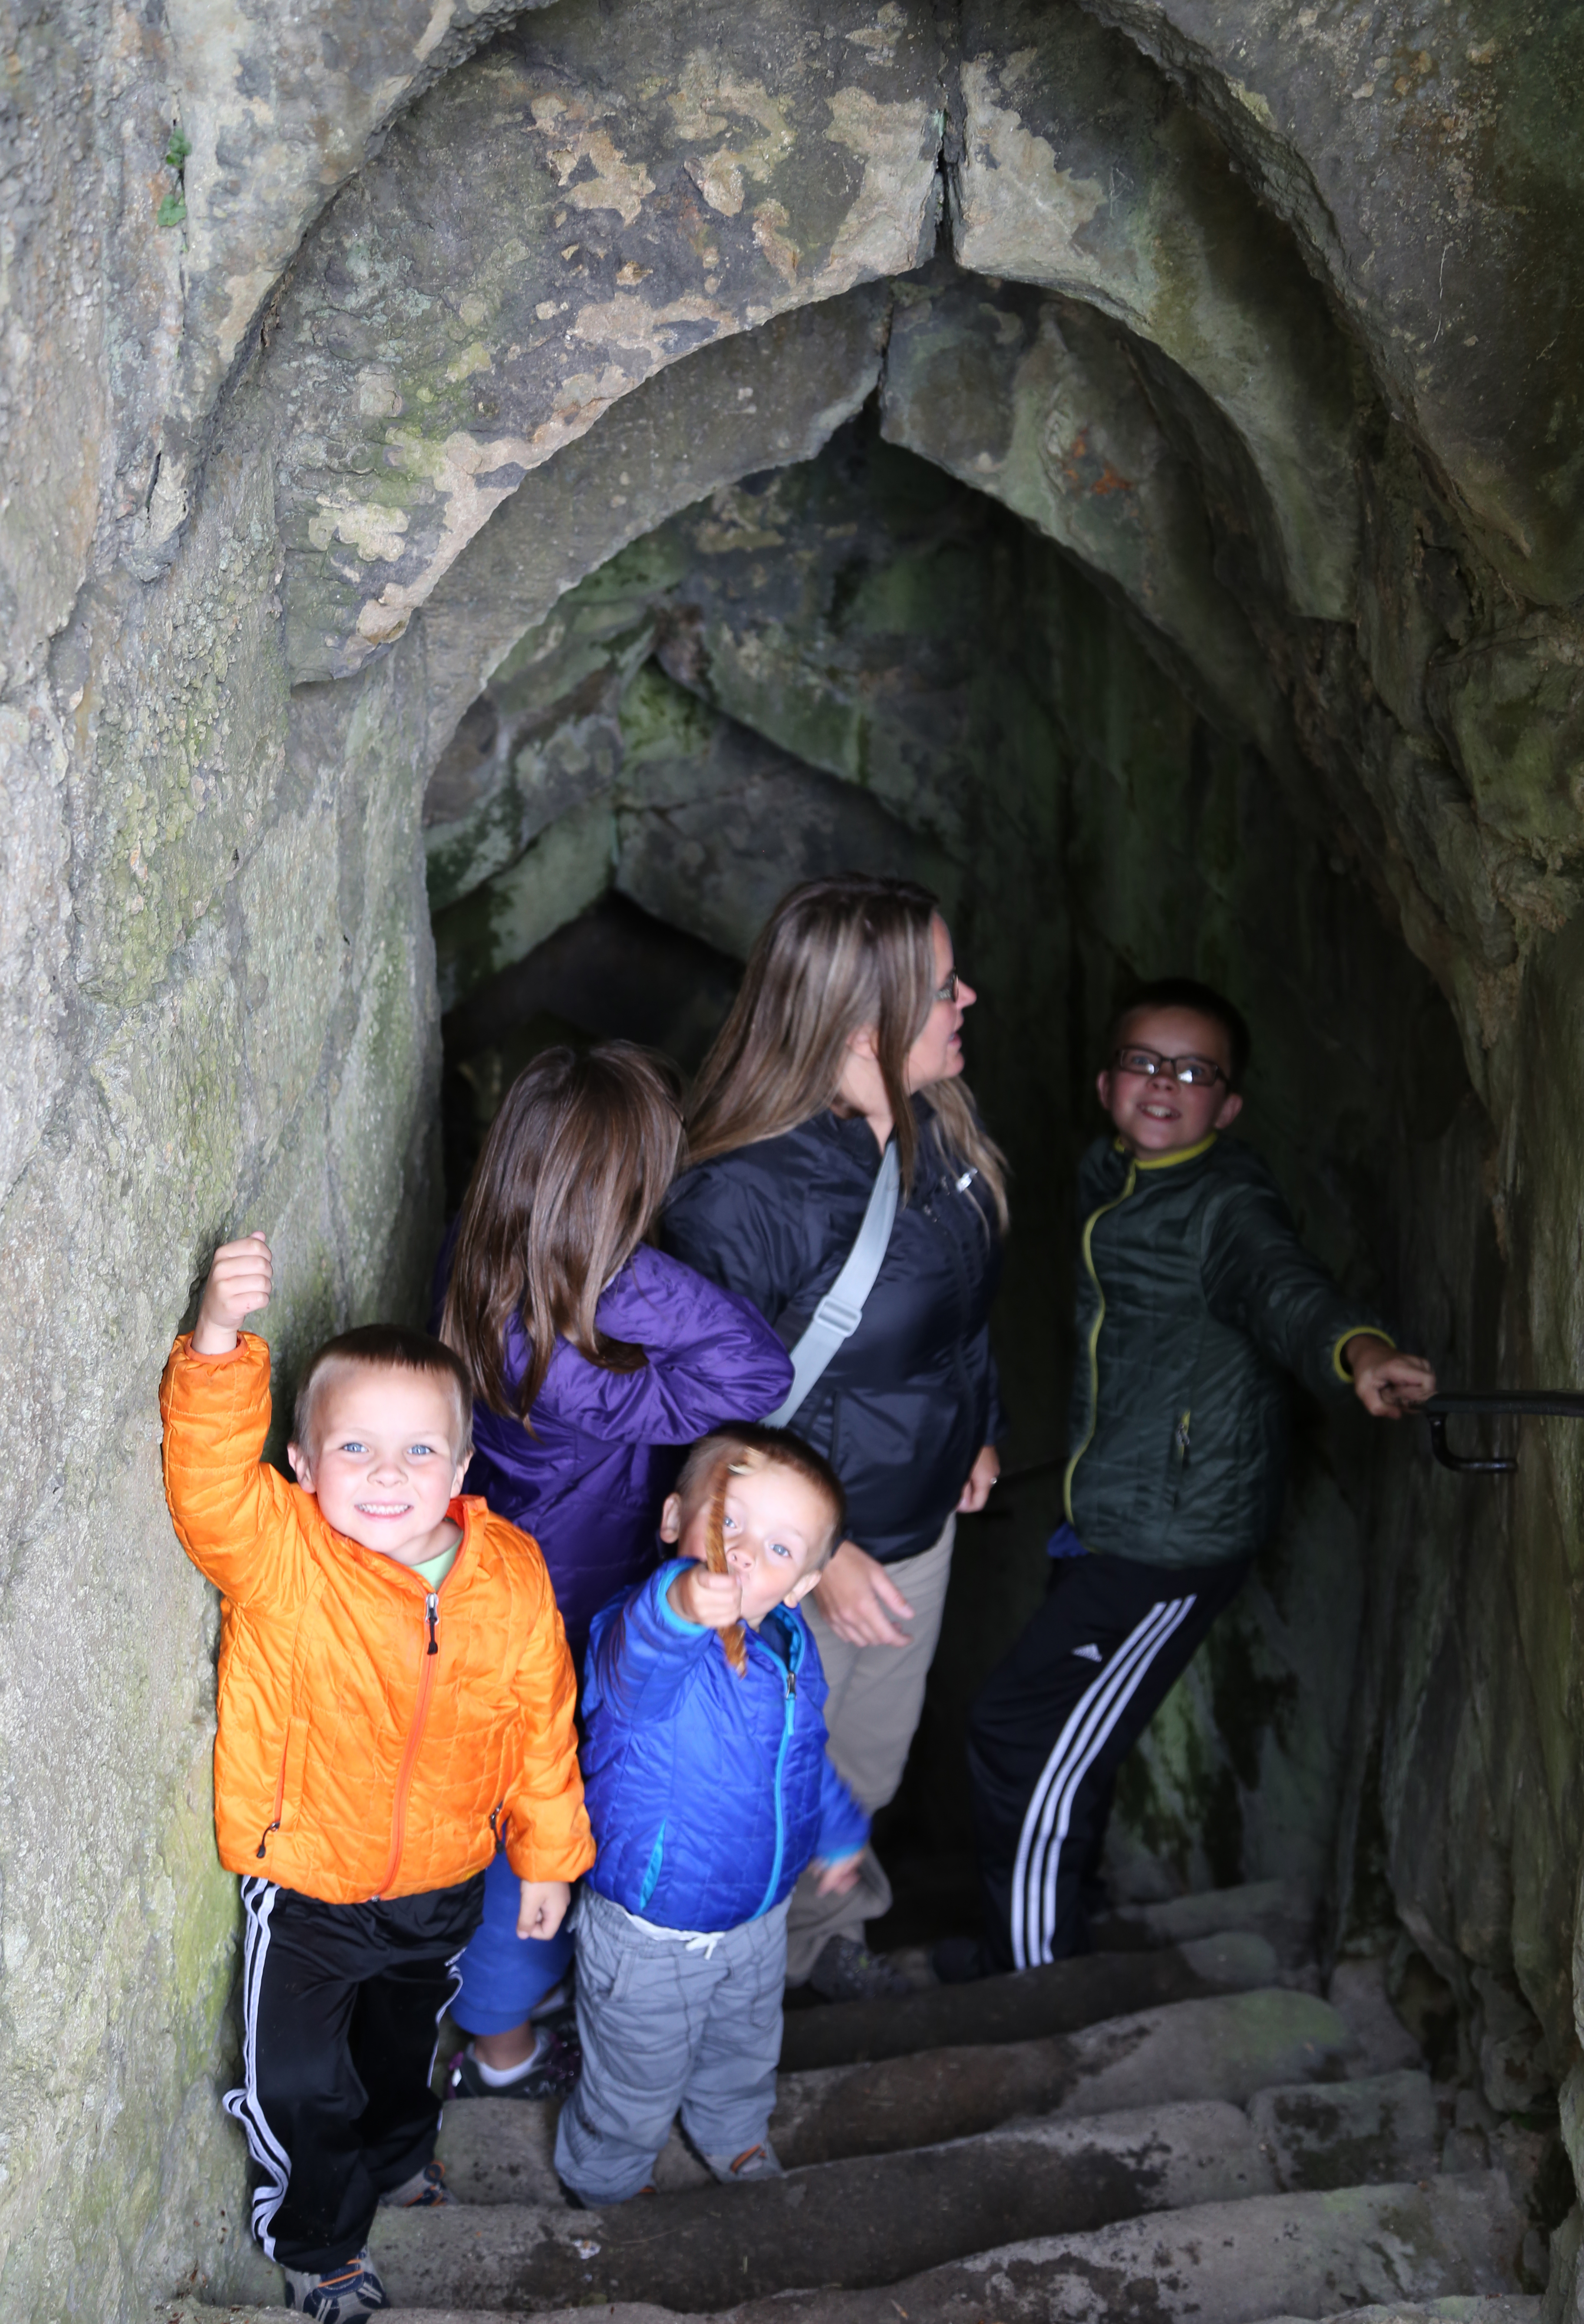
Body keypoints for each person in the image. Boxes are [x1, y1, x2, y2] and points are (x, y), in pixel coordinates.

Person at [945, 977, 1437, 1981]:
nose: (1164, 1084)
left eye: (1194, 1071)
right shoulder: (1109, 1174)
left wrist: (1360, 1352)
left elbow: (1283, 1285)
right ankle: (1051, 1926)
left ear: (1230, 1104)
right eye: (1144, 1062)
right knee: (1059, 1738)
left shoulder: (1222, 1205)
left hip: (1170, 1537)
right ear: (1104, 1083)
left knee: (1024, 1740)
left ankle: (1033, 1977)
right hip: (1111, 1512)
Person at [160, 1233, 593, 2323]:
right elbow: (209, 1479)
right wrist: (219, 1338)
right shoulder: (284, 1553)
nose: (386, 1477)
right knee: (301, 2083)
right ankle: (320, 2240)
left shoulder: (510, 1577)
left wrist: (546, 1856)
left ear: (459, 1471)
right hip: (305, 1887)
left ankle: (404, 2156)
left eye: (416, 1453)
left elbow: (541, 1722)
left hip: (443, 1882)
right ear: (302, 1463)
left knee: (404, 2060)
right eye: (353, 1448)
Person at [663, 873, 1007, 2001]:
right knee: (769, 1783)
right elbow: (702, 1424)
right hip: (801, 1565)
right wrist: (832, 1554)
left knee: (864, 1770)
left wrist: (981, 1426)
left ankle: (817, 1959)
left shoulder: (935, 1123)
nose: (970, 999)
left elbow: (958, 1312)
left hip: (920, 1527)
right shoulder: (742, 1197)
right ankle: (730, 1998)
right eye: (945, 987)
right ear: (865, 1028)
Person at [434, 1042, 792, 2099]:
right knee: (538, 1830)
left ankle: (505, 2012)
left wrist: (587, 1257)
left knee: (523, 1817)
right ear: (621, 1195)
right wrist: (622, 1268)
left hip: (508, 1579)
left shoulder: (481, 1252)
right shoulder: (565, 1362)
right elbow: (753, 1370)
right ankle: (500, 2044)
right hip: (566, 1610)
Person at [554, 1425, 868, 2204]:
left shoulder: (791, 1644)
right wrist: (680, 1605)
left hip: (759, 1917)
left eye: (781, 1548)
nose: (746, 1552)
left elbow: (799, 1756)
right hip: (651, 1933)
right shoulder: (639, 1636)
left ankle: (732, 2133)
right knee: (634, 2073)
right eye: (727, 1521)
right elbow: (639, 1665)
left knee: (745, 2045)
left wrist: (840, 1827)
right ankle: (603, 2179)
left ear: (802, 1585)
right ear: (671, 1522)